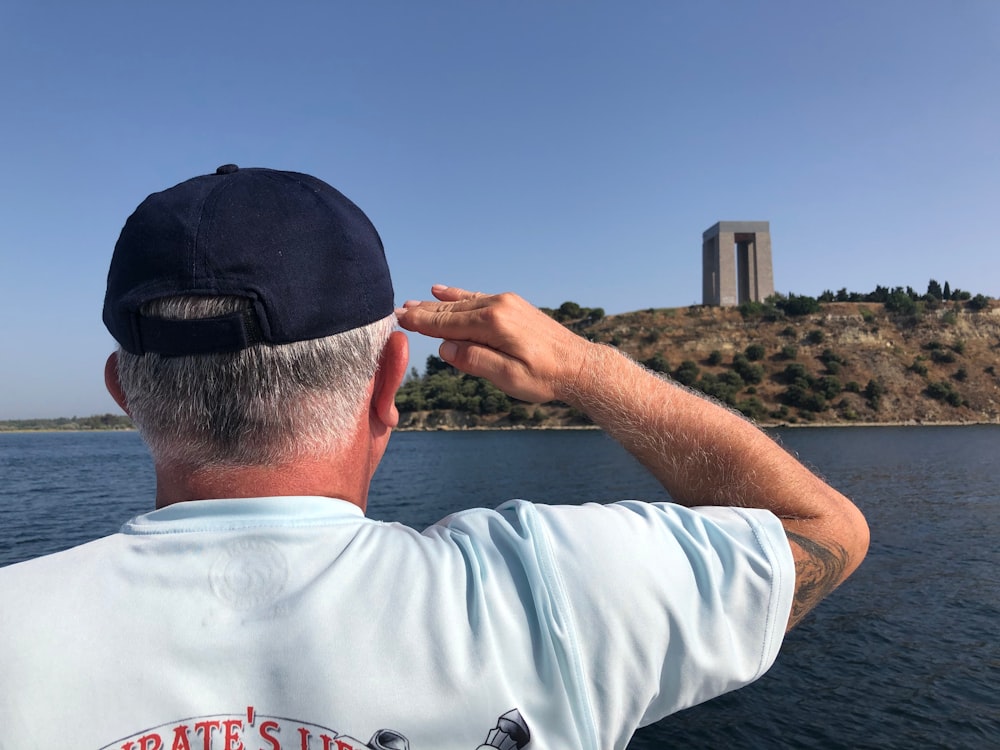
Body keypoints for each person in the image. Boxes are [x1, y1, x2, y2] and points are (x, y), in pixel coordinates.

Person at [0, 165, 868, 750]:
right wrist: (584, 367)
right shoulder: (550, 596)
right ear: (389, 380)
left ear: (123, 387)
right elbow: (825, 528)